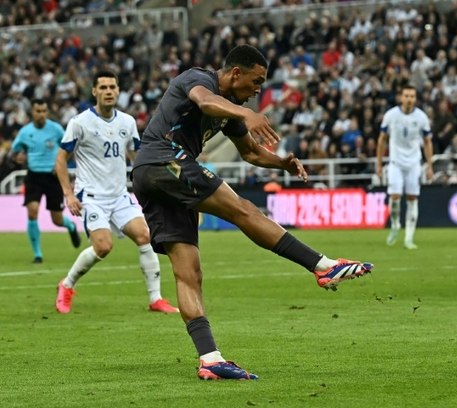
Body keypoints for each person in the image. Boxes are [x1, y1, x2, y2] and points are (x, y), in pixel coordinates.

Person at [130, 45, 373, 381]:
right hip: (164, 160)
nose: (258, 90)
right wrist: (243, 114)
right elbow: (203, 100)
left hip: (149, 174)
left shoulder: (230, 109)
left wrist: (281, 163)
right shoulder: (199, 79)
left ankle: (210, 359)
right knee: (244, 210)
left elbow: (250, 153)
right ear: (235, 74)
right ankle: (323, 266)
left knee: (189, 272)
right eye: (256, 81)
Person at [54, 70, 178, 315]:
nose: (108, 91)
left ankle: (156, 299)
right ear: (94, 92)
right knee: (103, 247)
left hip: (119, 195)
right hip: (91, 196)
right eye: (103, 87)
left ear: (118, 91)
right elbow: (60, 160)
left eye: (112, 87)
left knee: (145, 236)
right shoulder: (79, 123)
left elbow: (137, 157)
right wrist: (68, 195)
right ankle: (66, 285)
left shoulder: (127, 122)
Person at [10, 98, 81, 263]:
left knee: (56, 219)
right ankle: (38, 254)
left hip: (53, 176)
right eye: (38, 111)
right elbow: (15, 152)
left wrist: (60, 164)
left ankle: (70, 226)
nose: (41, 114)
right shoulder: (25, 132)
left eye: (44, 111)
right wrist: (18, 157)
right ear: (32, 112)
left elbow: (69, 147)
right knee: (32, 211)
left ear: (47, 112)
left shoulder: (56, 129)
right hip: (34, 176)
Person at [375, 84, 434, 250]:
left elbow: (428, 142)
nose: (409, 99)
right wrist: (378, 163)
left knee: (412, 199)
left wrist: (430, 166)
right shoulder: (391, 115)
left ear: (415, 98)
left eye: (412, 96)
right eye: (406, 96)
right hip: (395, 163)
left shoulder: (422, 117)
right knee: (394, 197)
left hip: (414, 163)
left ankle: (409, 238)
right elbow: (381, 140)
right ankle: (395, 224)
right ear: (401, 97)